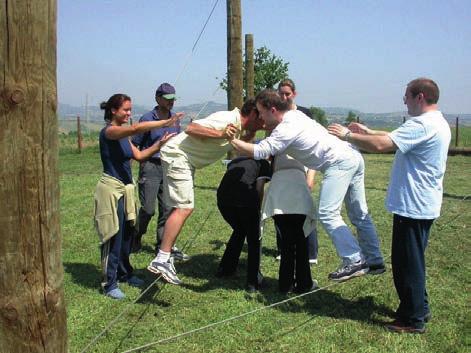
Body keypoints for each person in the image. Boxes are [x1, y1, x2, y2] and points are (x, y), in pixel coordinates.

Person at [328, 78, 450, 334]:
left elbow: (385, 145)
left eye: (406, 95)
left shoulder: (422, 124)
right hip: (421, 205)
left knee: (407, 264)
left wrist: (348, 135)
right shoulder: (436, 122)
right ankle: (418, 308)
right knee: (412, 261)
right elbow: (392, 137)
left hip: (413, 207)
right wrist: (368, 131)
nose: (403, 100)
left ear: (420, 97)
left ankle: (413, 319)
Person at [228, 89, 385, 282]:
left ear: (273, 110)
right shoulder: (296, 115)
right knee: (359, 214)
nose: (260, 117)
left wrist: (232, 140)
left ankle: (354, 259)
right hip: (353, 156)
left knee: (328, 213)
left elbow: (261, 151)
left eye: (261, 112)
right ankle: (374, 258)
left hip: (338, 162)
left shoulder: (286, 127)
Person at [147, 98, 265, 284]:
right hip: (179, 156)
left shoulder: (239, 128)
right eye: (262, 118)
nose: (264, 122)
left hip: (184, 160)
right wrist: (220, 133)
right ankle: (162, 259)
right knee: (184, 207)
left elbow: (244, 146)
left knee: (179, 207)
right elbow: (191, 128)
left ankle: (165, 254)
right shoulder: (227, 119)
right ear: (251, 113)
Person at [93, 93, 182, 299]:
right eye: (125, 110)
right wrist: (165, 122)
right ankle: (109, 283)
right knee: (113, 237)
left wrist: (159, 144)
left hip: (125, 189)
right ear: (114, 111)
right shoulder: (111, 131)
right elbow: (134, 129)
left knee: (126, 236)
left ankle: (125, 273)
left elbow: (140, 156)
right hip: (111, 191)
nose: (129, 113)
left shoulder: (123, 137)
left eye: (130, 109)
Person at [131, 83, 188, 261]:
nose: (171, 103)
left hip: (169, 167)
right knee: (148, 209)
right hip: (150, 166)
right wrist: (139, 161)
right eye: (168, 99)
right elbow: (135, 142)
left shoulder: (175, 119)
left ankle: (162, 244)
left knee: (167, 208)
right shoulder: (148, 118)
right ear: (157, 98)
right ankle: (136, 236)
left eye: (173, 99)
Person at [275, 78, 319, 265]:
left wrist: (311, 174)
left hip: (302, 166)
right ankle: (283, 248)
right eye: (281, 93)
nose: (284, 96)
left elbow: (314, 144)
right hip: (282, 168)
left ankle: (310, 252)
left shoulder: (304, 114)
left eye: (287, 93)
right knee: (281, 208)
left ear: (294, 94)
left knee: (304, 209)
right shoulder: (276, 114)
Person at [261, 153, 318, 293]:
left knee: (287, 240)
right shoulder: (303, 138)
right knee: (300, 239)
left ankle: (285, 285)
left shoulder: (277, 139)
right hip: (297, 186)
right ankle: (304, 283)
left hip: (279, 188)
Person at [216, 157, 272, 292]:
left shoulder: (235, 161)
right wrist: (258, 209)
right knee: (254, 239)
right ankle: (253, 281)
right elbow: (259, 188)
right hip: (246, 199)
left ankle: (225, 269)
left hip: (223, 200)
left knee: (240, 230)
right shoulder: (263, 163)